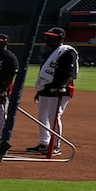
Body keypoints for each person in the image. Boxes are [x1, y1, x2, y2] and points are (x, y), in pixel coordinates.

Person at [26, 27, 78, 157]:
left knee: (54, 117)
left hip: (59, 90)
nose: (48, 39)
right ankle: (44, 143)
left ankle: (55, 146)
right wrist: (40, 90)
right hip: (46, 89)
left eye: (51, 37)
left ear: (60, 38)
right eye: (47, 36)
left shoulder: (67, 52)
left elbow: (70, 74)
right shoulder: (49, 53)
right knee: (42, 117)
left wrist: (61, 87)